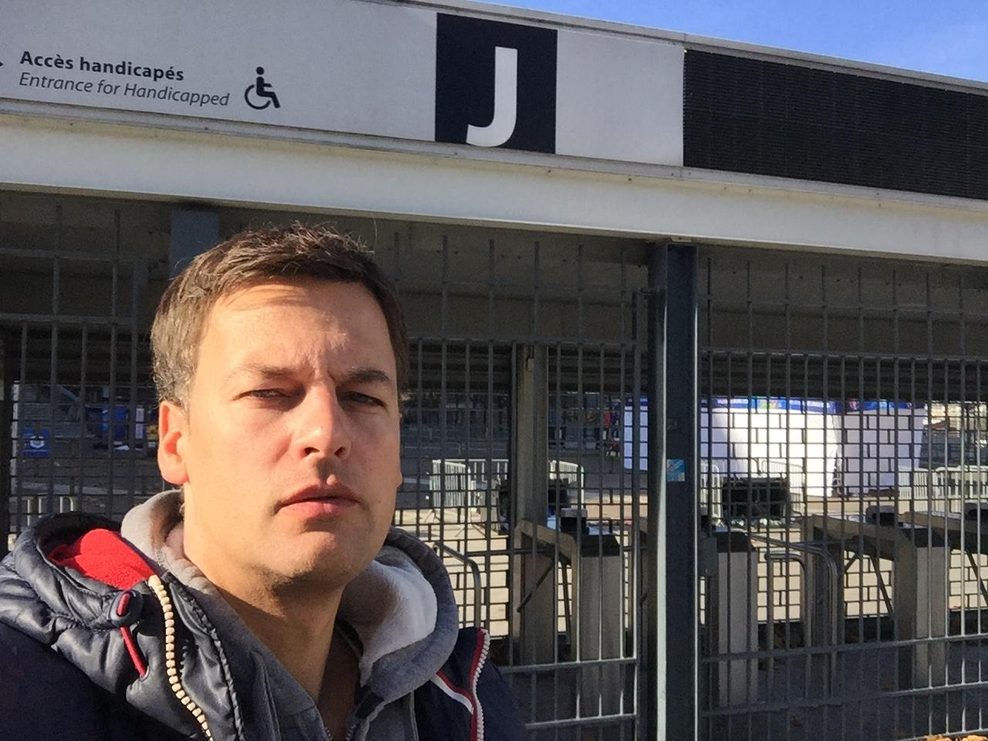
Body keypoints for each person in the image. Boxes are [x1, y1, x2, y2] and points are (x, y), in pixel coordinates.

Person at [0, 224, 525, 740]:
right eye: (270, 393)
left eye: (363, 398)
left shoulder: (466, 697)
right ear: (175, 442)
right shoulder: (28, 688)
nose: (326, 433)